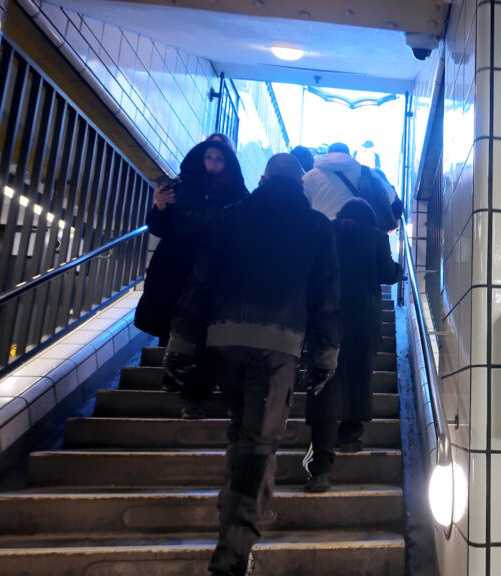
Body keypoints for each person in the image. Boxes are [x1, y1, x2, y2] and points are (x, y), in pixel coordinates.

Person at [164, 153, 341, 576]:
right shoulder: (317, 226)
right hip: (278, 346)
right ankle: (232, 556)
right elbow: (326, 299)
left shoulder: (229, 217)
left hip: (223, 342)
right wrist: (325, 355)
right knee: (258, 447)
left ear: (263, 179)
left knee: (241, 434)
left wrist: (181, 343)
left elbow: (199, 284)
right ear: (301, 184)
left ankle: (235, 528)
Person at [134, 139, 248, 419]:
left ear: (228, 162)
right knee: (174, 324)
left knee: (203, 333)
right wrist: (159, 208)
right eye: (209, 157)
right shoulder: (180, 188)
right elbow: (159, 228)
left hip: (214, 274)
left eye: (219, 159)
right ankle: (176, 377)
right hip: (176, 269)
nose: (213, 164)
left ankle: (194, 394)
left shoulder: (237, 194)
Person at [304, 198, 400, 491]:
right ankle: (350, 435)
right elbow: (387, 273)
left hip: (326, 317)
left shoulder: (326, 231)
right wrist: (399, 269)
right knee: (360, 374)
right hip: (362, 319)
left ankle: (321, 460)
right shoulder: (376, 238)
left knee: (324, 380)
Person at [301, 142, 396, 230]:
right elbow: (390, 196)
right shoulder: (366, 172)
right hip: (360, 233)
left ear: (328, 154)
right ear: (348, 154)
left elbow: (302, 206)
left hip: (325, 232)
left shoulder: (310, 176)